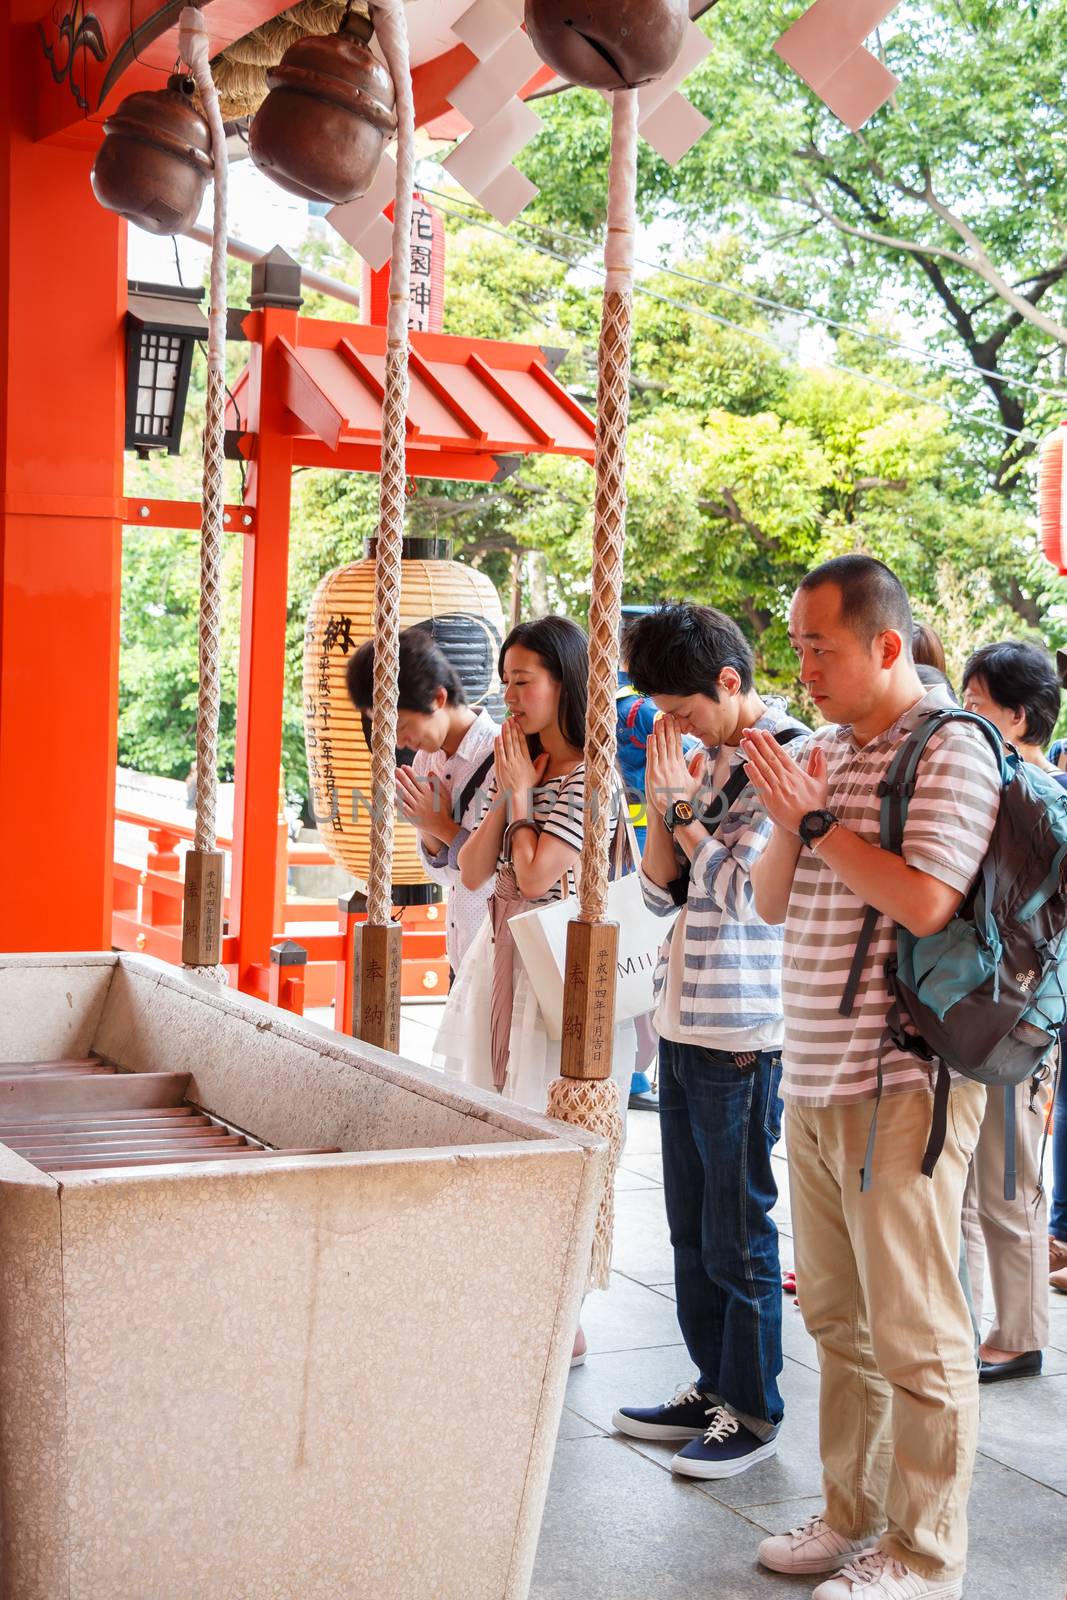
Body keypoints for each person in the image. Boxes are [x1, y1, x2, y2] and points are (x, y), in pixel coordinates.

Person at [742, 555, 1001, 1600]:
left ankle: (926, 1553)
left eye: (821, 646)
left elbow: (926, 899)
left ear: (885, 646)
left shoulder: (948, 748)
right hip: (811, 1070)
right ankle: (852, 1513)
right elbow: (772, 903)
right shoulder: (822, 750)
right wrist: (786, 814)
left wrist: (812, 822)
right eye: (796, 643)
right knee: (837, 1319)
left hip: (905, 1078)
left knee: (915, 1326)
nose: (801, 665)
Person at [609, 604, 807, 1479]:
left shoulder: (786, 757)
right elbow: (659, 898)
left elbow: (745, 896)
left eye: (682, 711)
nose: (673, 728)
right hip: (682, 1016)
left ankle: (753, 1412)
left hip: (742, 1030)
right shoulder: (709, 758)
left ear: (730, 682)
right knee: (688, 1229)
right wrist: (664, 815)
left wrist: (683, 811)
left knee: (737, 1230)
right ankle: (710, 1385)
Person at [432, 615, 635, 1116]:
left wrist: (520, 797)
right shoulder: (522, 766)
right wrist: (508, 792)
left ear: (565, 683)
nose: (510, 697)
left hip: (559, 963)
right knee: (492, 1108)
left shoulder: (592, 778)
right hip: (503, 951)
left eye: (523, 682)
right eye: (506, 683)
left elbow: (534, 876)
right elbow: (475, 872)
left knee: (542, 1105)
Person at [959, 640, 1061, 1377]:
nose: (963, 721)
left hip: (1013, 1019)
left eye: (975, 706)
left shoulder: (1030, 793)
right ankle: (981, 1325)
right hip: (1001, 1013)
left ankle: (1020, 1334)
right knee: (982, 1178)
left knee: (1004, 1179)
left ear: (1016, 716)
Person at [345, 628, 497, 982]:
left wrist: (440, 825)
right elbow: (441, 875)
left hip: (500, 958)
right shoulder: (425, 763)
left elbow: (493, 874)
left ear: (438, 698)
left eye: (403, 726)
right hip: (461, 958)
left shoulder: (502, 754)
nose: (400, 741)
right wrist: (430, 828)